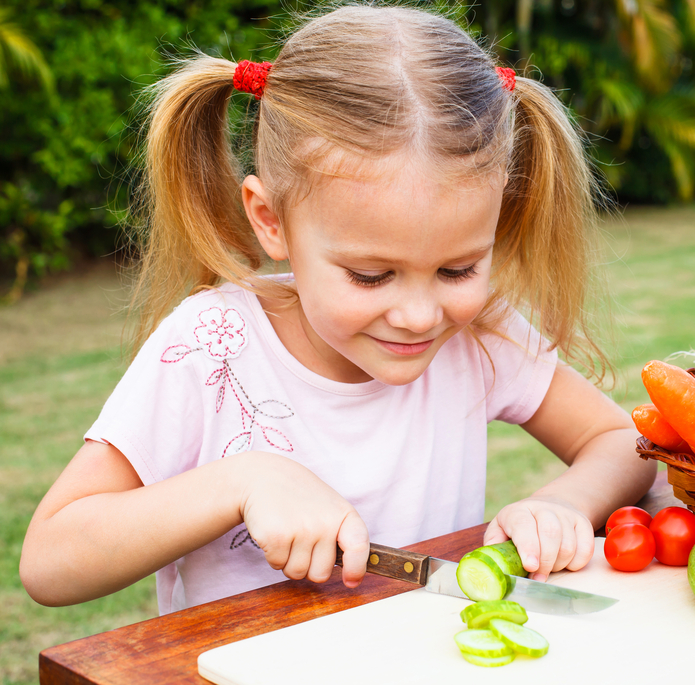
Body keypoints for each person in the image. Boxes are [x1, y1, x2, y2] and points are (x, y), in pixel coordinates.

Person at [19, 3, 656, 615]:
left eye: (458, 269)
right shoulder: (211, 347)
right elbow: (49, 561)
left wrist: (565, 502)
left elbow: (624, 442)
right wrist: (240, 483)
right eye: (371, 275)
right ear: (271, 221)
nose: (417, 315)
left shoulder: (477, 334)